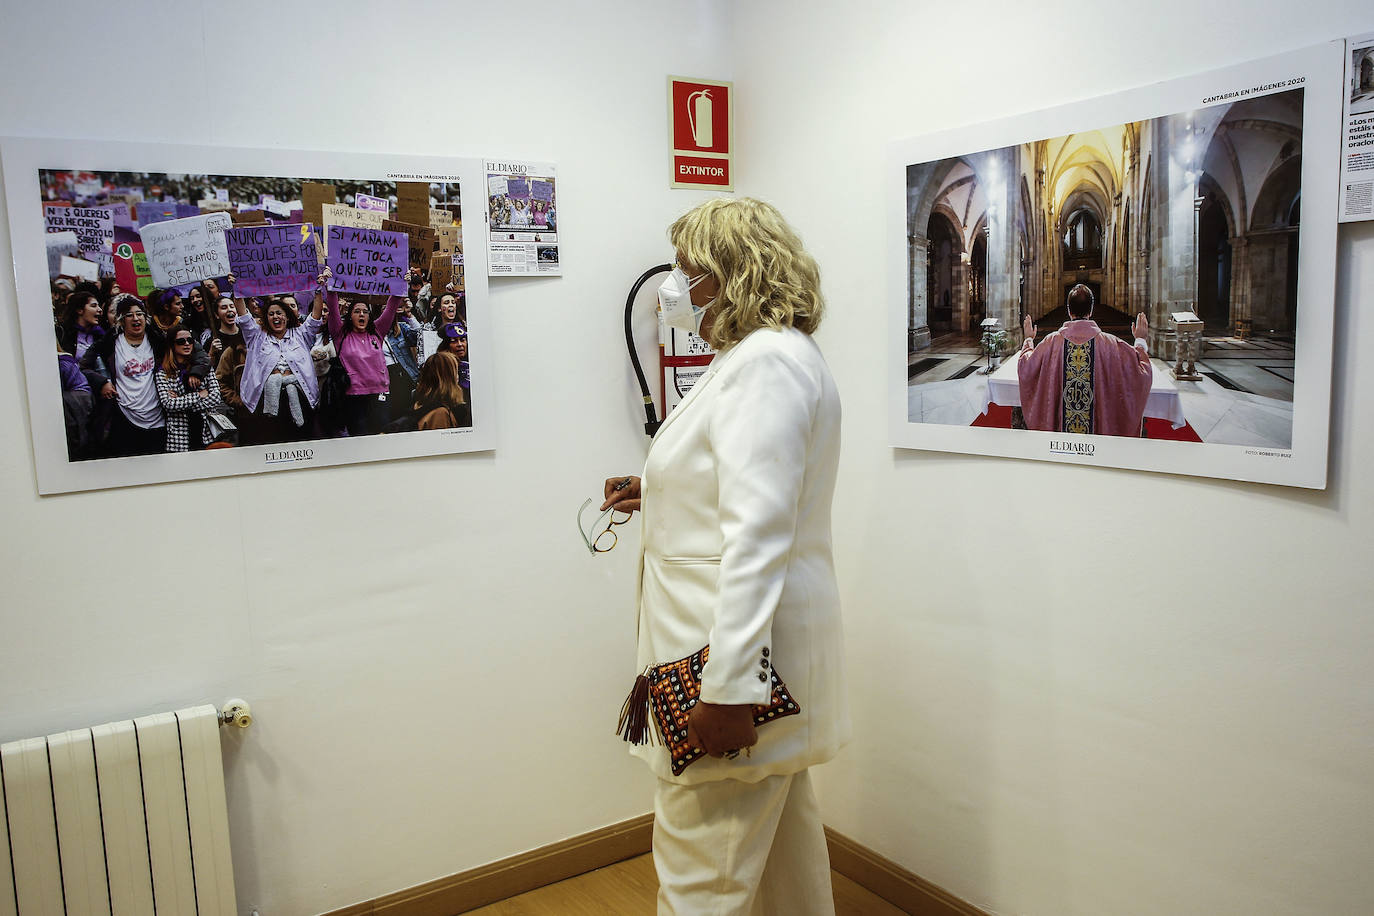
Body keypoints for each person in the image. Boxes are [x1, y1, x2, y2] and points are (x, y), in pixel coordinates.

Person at [599, 198, 847, 916]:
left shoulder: (765, 364)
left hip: (733, 675)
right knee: (783, 878)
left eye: (687, 268)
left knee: (700, 884)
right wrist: (658, 491)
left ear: (732, 272)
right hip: (752, 667)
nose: (673, 285)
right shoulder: (755, 358)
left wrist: (729, 690)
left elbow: (759, 535)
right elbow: (744, 491)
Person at [1017, 284, 1152, 437]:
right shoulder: (1111, 344)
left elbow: (1026, 367)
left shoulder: (1051, 342)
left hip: (1059, 443)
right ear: (1091, 310)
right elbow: (1141, 373)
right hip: (1099, 442)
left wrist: (1028, 339)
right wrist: (1140, 340)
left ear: (1069, 311)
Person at [235, 278, 327, 445]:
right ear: (266, 318)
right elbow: (243, 317)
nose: (275, 317)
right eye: (271, 314)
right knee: (272, 441)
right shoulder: (256, 336)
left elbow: (315, 317)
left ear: (287, 316)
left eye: (279, 313)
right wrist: (237, 289)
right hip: (265, 400)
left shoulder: (300, 334)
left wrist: (318, 290)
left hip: (299, 396)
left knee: (299, 441)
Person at [80, 295, 167, 456]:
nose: (136, 318)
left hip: (157, 417)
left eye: (139, 313)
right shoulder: (109, 342)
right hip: (124, 416)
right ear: (121, 320)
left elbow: (187, 352)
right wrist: (102, 382)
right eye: (129, 315)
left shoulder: (157, 339)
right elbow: (83, 366)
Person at [325, 289, 401, 436]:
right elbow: (333, 309)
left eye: (365, 312)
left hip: (380, 394)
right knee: (360, 436)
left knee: (382, 435)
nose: (361, 314)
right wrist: (330, 287)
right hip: (354, 397)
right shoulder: (340, 334)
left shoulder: (377, 331)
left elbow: (391, 306)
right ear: (349, 316)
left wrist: (402, 284)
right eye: (357, 311)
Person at [155, 328, 223, 451]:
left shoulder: (204, 367)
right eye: (181, 341)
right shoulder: (163, 372)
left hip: (205, 434)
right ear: (172, 344)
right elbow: (168, 404)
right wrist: (199, 395)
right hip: (179, 439)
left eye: (189, 340)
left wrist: (181, 402)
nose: (186, 344)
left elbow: (216, 397)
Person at [409, 350, 471, 430]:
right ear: (447, 377)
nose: (458, 376)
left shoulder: (421, 403)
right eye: (455, 371)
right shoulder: (440, 413)